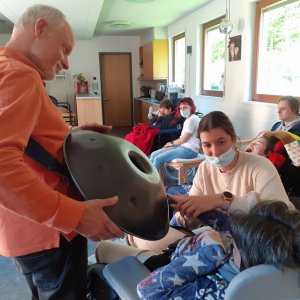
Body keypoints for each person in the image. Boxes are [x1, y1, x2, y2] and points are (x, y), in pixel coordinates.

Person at [0, 5, 123, 300]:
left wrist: (70, 136)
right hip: (50, 233)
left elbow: (28, 141)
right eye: (65, 49)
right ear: (40, 28)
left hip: (25, 228)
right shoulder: (20, 76)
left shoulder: (9, 70)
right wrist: (74, 216)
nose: (67, 63)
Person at [137, 200, 300, 299]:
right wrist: (204, 212)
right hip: (193, 245)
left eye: (234, 247)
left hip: (170, 264)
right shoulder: (280, 260)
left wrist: (210, 253)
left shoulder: (214, 291)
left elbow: (147, 290)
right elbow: (236, 232)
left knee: (138, 235)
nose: (230, 244)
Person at [168, 111, 293, 230]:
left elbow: (280, 216)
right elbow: (194, 211)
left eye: (221, 142)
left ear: (233, 139)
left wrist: (223, 200)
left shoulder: (261, 166)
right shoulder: (205, 168)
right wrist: (187, 214)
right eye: (207, 145)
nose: (215, 152)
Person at [149, 97, 200, 171]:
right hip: (182, 147)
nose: (182, 110)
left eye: (185, 107)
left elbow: (183, 139)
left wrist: (171, 143)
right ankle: (146, 177)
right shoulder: (187, 119)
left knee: (158, 159)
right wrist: (172, 144)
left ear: (191, 107)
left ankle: (151, 181)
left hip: (190, 150)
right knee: (153, 154)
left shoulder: (193, 119)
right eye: (181, 108)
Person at [245, 133, 300, 198]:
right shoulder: (239, 160)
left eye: (257, 144)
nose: (251, 144)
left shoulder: (270, 173)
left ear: (267, 153)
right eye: (252, 142)